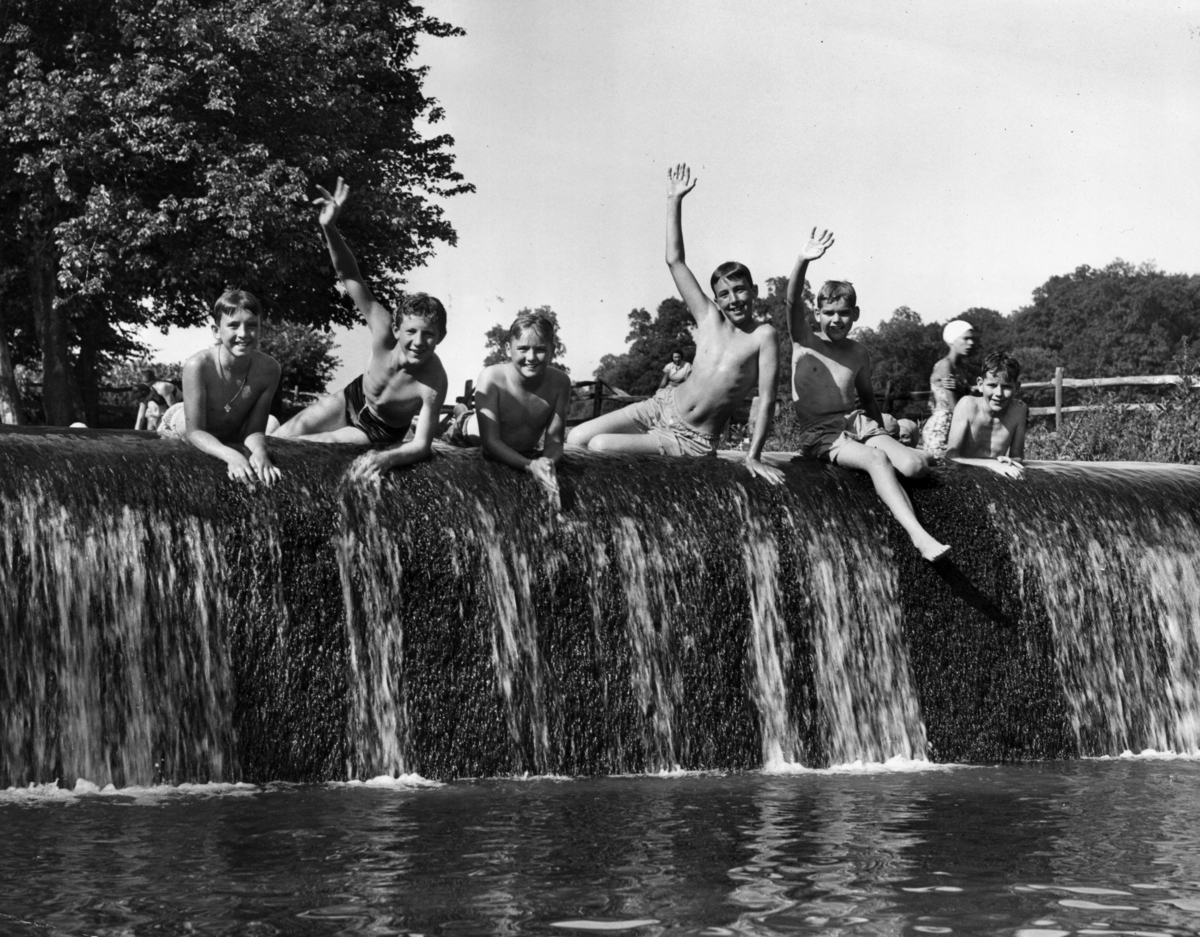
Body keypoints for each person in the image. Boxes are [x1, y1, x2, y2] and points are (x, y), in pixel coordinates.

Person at [567, 164, 784, 485]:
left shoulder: (763, 336)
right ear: (716, 299)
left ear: (754, 292)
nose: (734, 299)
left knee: (600, 446)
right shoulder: (708, 318)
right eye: (724, 294)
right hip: (660, 406)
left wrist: (753, 455)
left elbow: (766, 399)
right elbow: (675, 260)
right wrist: (674, 201)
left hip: (693, 439)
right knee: (577, 438)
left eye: (740, 290)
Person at [786, 228, 949, 562]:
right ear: (817, 315)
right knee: (877, 460)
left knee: (915, 465)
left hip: (858, 423)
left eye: (843, 313)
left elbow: (868, 398)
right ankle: (920, 537)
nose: (836, 320)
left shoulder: (859, 353)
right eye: (828, 313)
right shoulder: (804, 340)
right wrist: (802, 261)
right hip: (822, 433)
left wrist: (882, 431)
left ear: (855, 315)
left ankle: (914, 441)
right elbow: (790, 302)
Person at [272, 178, 448, 478]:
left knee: (309, 444)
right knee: (278, 439)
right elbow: (349, 275)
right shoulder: (382, 328)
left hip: (377, 429)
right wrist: (329, 227)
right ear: (396, 329)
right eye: (411, 332)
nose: (419, 341)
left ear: (440, 337)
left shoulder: (433, 382)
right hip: (352, 396)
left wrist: (388, 458)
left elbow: (421, 445)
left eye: (429, 334)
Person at [450, 310, 572, 508]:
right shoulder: (492, 377)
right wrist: (529, 465)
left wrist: (547, 462)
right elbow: (490, 442)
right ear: (508, 349)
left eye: (540, 349)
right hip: (472, 434)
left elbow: (555, 443)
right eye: (523, 348)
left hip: (518, 445)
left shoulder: (560, 383)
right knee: (465, 419)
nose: (531, 357)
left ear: (553, 350)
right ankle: (460, 412)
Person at [159, 290, 282, 486]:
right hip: (181, 426)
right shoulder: (198, 365)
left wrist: (259, 453)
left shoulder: (270, 369)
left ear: (261, 329)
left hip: (232, 429)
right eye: (233, 325)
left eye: (251, 325)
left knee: (272, 423)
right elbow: (194, 431)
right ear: (216, 331)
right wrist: (230, 455)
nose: (243, 334)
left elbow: (255, 430)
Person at [945, 351, 1028, 479]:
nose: (998, 393)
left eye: (1006, 387)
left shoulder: (1019, 410)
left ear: (1016, 388)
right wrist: (991, 463)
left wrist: (1008, 461)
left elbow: (1017, 456)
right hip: (962, 476)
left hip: (994, 478)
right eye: (992, 385)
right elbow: (951, 456)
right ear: (980, 384)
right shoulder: (968, 405)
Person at [920, 319, 977, 458]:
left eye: (972, 339)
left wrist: (965, 389)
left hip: (956, 426)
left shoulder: (959, 368)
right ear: (952, 340)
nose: (971, 343)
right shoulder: (945, 365)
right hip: (942, 429)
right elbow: (955, 407)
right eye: (966, 338)